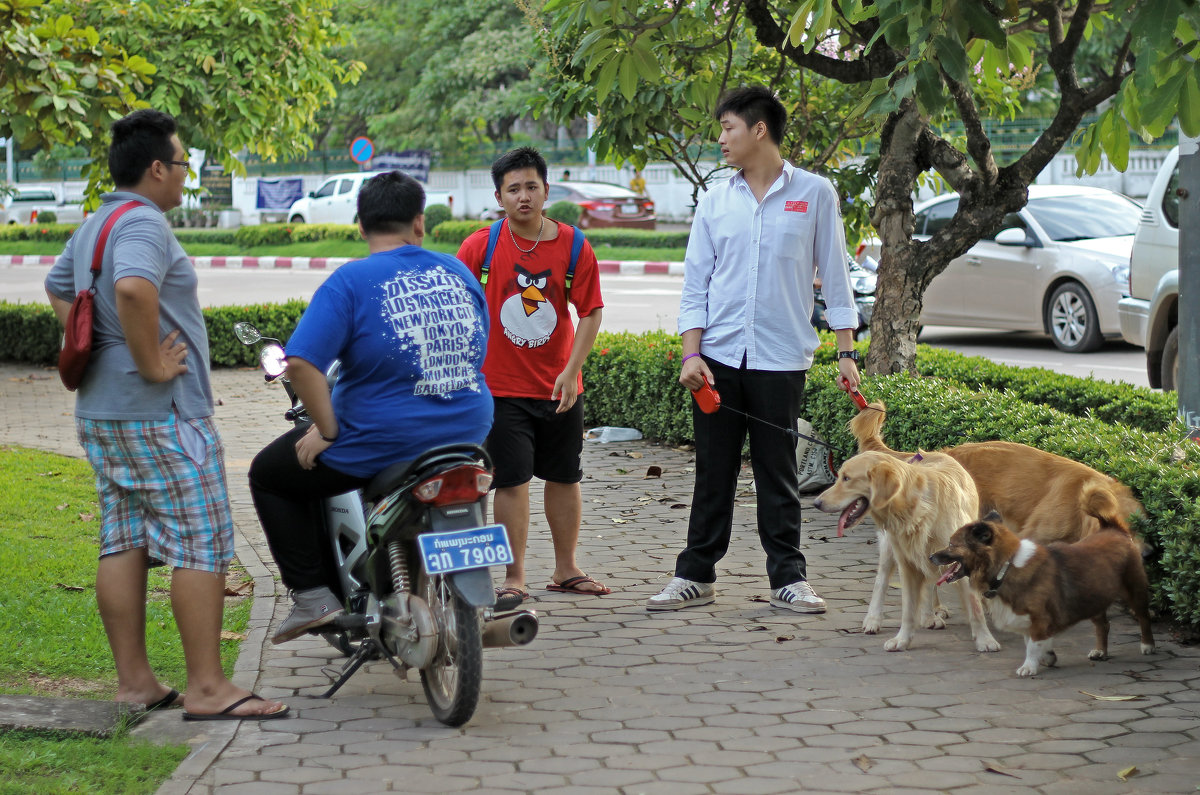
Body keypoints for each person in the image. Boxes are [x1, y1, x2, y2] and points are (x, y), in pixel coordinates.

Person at [44, 109, 288, 721]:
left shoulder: (98, 222)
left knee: (122, 540)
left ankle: (136, 684)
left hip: (104, 412)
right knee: (201, 544)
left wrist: (108, 351)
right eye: (182, 163)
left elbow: (57, 290)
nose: (186, 174)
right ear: (157, 168)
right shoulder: (146, 225)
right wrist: (151, 364)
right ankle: (208, 688)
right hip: (159, 414)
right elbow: (131, 288)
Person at [248, 171, 492, 644]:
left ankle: (313, 597)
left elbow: (300, 364)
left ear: (360, 227)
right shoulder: (457, 271)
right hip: (469, 432)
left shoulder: (351, 281)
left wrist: (329, 429)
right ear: (419, 224)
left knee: (268, 474)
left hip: (384, 441)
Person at [647, 86, 862, 613]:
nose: (721, 139)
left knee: (778, 473)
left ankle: (788, 577)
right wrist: (690, 355)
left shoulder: (814, 194)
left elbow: (835, 278)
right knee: (712, 471)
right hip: (717, 358)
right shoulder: (716, 200)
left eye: (728, 128)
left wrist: (846, 352)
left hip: (782, 358)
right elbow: (696, 283)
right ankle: (695, 574)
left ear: (759, 129)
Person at [456, 146, 607, 607]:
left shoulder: (574, 244)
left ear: (546, 190)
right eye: (513, 188)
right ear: (499, 196)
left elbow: (591, 312)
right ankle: (515, 575)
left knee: (565, 476)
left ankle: (566, 569)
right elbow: (459, 309)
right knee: (512, 480)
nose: (524, 196)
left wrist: (571, 372)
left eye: (531, 187)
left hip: (560, 387)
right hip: (500, 390)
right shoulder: (480, 245)